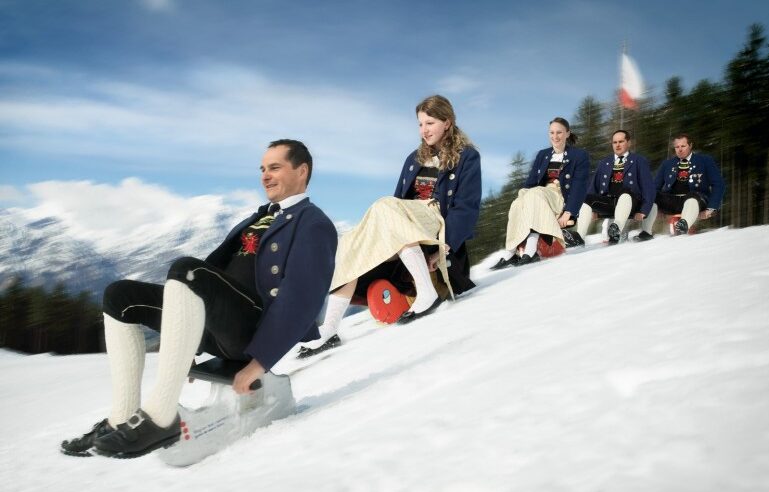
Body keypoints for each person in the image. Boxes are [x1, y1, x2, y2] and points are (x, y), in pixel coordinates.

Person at [60, 139, 337, 459]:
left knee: (187, 271)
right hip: (215, 323)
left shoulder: (313, 223)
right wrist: (184, 342)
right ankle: (122, 417)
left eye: (275, 167)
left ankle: (161, 418)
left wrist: (259, 363)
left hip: (251, 331)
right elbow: (216, 275)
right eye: (262, 169)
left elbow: (301, 301)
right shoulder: (258, 217)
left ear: (301, 171)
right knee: (119, 296)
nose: (265, 175)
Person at [298, 95, 481, 357]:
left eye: (430, 123)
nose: (424, 130)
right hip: (407, 222)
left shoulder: (467, 157)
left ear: (447, 123)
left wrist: (443, 248)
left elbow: (466, 208)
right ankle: (329, 329)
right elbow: (398, 202)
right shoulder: (413, 159)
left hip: (436, 223)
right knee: (350, 241)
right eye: (420, 124)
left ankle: (426, 292)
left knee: (384, 205)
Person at [491, 117, 589, 269]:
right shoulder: (543, 155)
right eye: (552, 132)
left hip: (560, 196)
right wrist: (523, 197)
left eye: (559, 132)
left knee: (534, 194)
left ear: (567, 133)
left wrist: (568, 212)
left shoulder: (579, 155)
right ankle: (511, 252)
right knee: (517, 202)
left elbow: (579, 186)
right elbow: (530, 182)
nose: (555, 136)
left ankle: (530, 251)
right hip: (539, 195)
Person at [569, 130, 655, 245]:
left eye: (621, 141)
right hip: (610, 202)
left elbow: (648, 188)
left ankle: (616, 230)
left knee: (625, 193)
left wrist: (644, 210)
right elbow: (593, 187)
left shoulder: (639, 160)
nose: (617, 145)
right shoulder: (605, 162)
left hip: (632, 203)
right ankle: (579, 238)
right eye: (615, 142)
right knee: (586, 198)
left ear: (629, 143)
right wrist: (592, 208)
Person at [647, 133, 725, 237]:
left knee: (692, 197)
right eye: (677, 147)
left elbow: (718, 184)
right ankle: (646, 232)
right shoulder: (667, 164)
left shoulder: (705, 160)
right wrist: (656, 207)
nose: (680, 149)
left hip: (697, 200)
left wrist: (711, 208)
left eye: (683, 146)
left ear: (690, 145)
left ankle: (683, 226)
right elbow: (655, 187)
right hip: (673, 201)